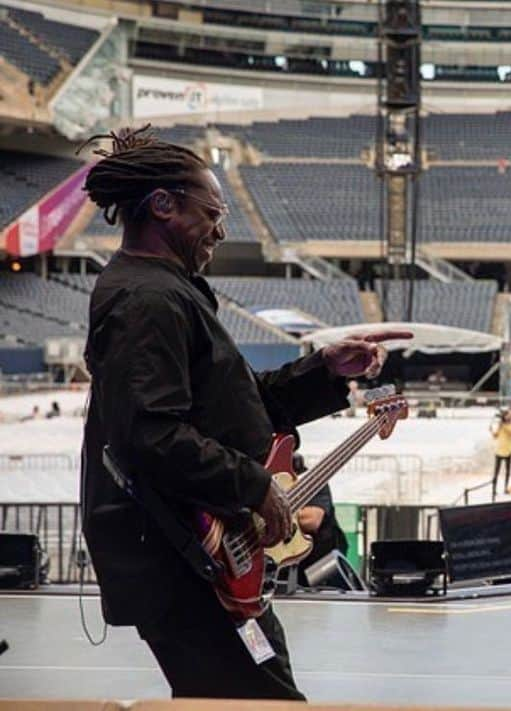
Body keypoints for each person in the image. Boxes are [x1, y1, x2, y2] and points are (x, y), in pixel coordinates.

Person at [78, 125, 412, 700]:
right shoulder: (147, 299)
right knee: (262, 701)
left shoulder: (167, 291)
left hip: (207, 561)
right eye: (211, 213)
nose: (220, 230)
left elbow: (232, 408)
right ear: (163, 206)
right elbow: (149, 434)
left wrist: (325, 370)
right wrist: (255, 485)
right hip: (183, 563)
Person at [292, 454, 349, 587]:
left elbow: (311, 520)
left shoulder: (312, 480)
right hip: (290, 567)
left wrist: (273, 515)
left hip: (320, 567)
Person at [490, 407, 511, 498]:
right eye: (508, 415)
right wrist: (492, 430)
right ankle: (494, 489)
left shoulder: (510, 425)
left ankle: (506, 488)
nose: (510, 417)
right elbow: (495, 436)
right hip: (499, 450)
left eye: (510, 416)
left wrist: (503, 425)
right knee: (496, 471)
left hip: (508, 450)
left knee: (508, 471)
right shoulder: (501, 426)